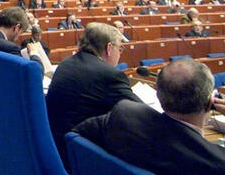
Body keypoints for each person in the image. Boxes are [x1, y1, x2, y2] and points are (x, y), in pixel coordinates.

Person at [73, 58, 225, 174]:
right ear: (209, 103)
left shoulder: (123, 113)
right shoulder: (216, 161)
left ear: (158, 95)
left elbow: (77, 137)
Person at [46, 23, 141, 167]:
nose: (120, 53)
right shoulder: (110, 75)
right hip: (82, 153)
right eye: (120, 48)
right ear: (109, 48)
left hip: (56, 147)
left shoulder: (66, 62)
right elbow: (139, 112)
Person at [0, 6, 43, 70]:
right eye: (21, 32)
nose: (19, 36)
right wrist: (34, 53)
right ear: (17, 27)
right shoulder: (10, 48)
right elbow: (35, 74)